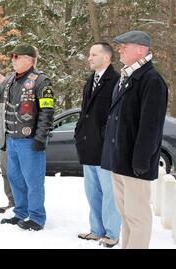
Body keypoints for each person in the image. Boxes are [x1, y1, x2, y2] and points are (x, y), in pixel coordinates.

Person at [101, 31, 168, 249]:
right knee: (126, 215)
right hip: (120, 160)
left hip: (134, 164)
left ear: (141, 49)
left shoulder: (152, 80)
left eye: (124, 46)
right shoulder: (127, 77)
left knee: (138, 217)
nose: (119, 50)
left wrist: (140, 161)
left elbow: (151, 127)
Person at [0, 43, 54, 231]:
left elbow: (47, 111)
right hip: (12, 138)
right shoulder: (10, 80)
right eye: (12, 56)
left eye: (17, 57)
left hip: (30, 139)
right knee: (15, 177)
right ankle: (21, 212)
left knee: (33, 180)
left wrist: (41, 137)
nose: (13, 60)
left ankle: (37, 217)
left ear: (29, 59)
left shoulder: (41, 80)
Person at [74, 42, 121, 247]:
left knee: (110, 192)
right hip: (88, 145)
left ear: (107, 58)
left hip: (106, 147)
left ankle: (111, 233)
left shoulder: (116, 81)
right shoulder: (90, 80)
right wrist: (79, 132)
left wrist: (105, 135)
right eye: (89, 54)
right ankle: (96, 230)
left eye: (94, 54)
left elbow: (117, 116)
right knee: (92, 191)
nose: (89, 58)